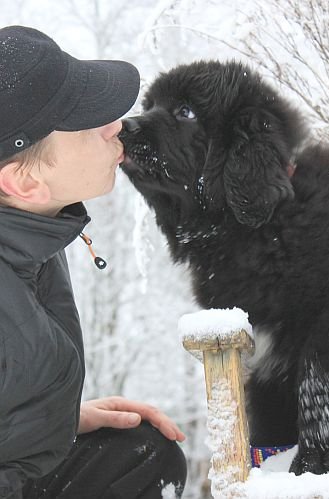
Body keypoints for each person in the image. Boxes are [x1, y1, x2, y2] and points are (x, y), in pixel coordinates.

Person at [0, 26, 187, 499]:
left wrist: (50, 421)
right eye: (86, 122)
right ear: (23, 183)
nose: (115, 125)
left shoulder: (30, 234)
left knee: (140, 454)